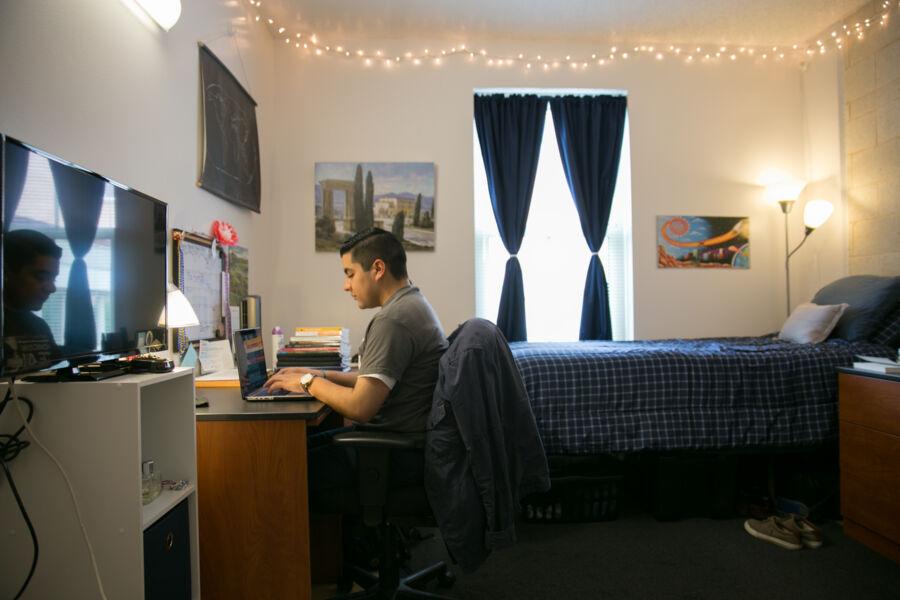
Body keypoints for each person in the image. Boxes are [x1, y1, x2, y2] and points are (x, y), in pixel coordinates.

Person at [265, 227, 447, 511]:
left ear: (378, 269)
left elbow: (361, 407)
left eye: (350, 274)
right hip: (398, 444)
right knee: (296, 445)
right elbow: (373, 380)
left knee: (275, 467)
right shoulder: (412, 303)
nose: (345, 285)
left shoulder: (393, 320)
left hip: (389, 455)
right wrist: (322, 375)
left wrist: (307, 381)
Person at [3, 229, 62, 373]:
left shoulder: (39, 326)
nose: (52, 288)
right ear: (6, 273)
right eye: (41, 277)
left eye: (53, 279)